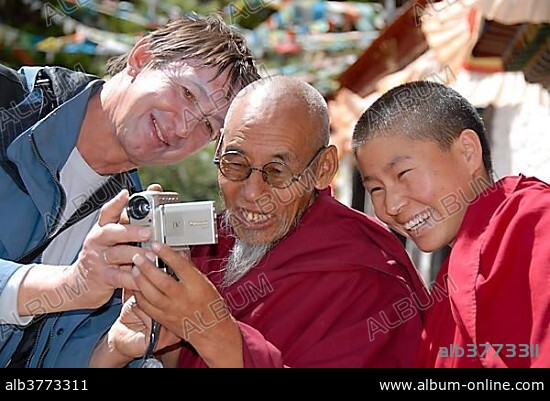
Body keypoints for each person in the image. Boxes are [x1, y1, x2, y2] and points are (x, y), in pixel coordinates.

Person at [90, 75, 427, 368]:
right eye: (235, 164)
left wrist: (215, 332)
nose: (252, 193)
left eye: (277, 172)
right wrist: (148, 335)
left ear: (322, 169)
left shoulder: (367, 278)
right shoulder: (207, 245)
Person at [0, 14, 259, 368]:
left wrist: (115, 349)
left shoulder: (133, 228)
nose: (184, 127)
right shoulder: (8, 106)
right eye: (186, 93)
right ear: (142, 57)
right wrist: (66, 286)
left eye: (208, 126)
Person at [351, 80, 550, 368]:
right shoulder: (446, 293)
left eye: (403, 173)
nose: (391, 206)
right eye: (376, 189)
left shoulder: (535, 223)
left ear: (468, 151)